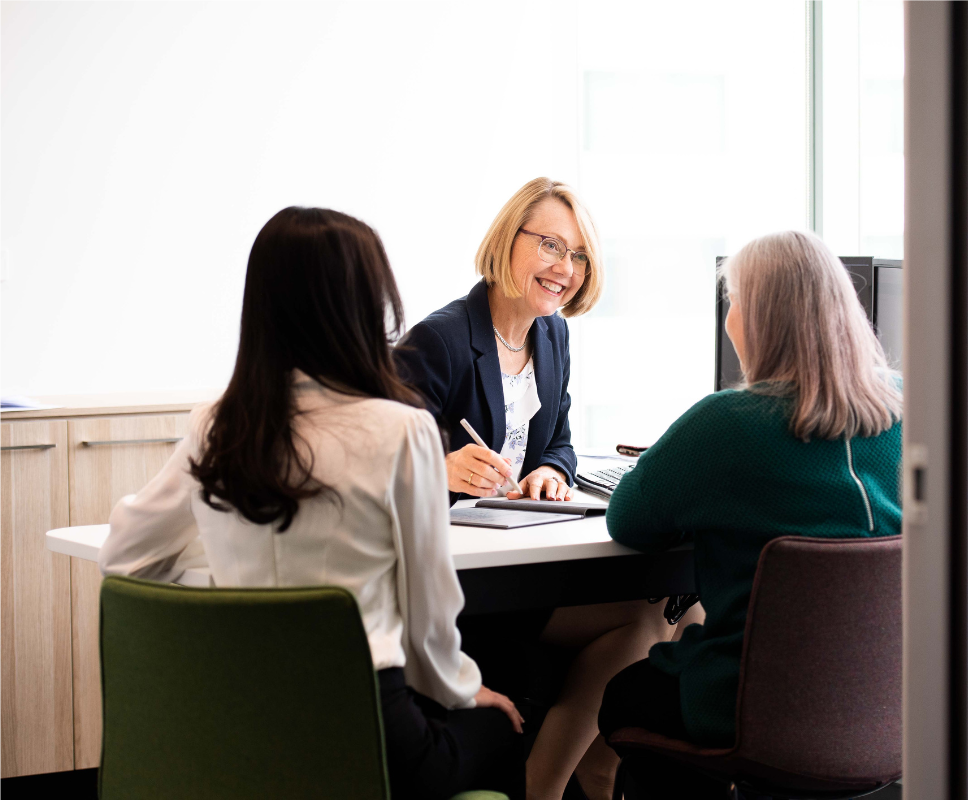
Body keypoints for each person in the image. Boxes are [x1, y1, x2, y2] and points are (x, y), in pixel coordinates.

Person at [98, 207, 524, 800]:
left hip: (241, 727)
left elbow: (125, 555)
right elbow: (429, 618)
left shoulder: (219, 425)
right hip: (368, 730)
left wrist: (230, 550)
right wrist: (464, 690)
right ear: (366, 306)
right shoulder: (400, 431)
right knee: (502, 726)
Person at [394, 178, 675, 800]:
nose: (565, 268)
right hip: (465, 584)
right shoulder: (440, 340)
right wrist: (438, 469)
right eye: (551, 245)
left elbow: (561, 441)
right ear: (508, 239)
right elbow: (375, 453)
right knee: (643, 620)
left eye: (578, 255)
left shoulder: (552, 335)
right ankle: (565, 779)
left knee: (656, 613)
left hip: (526, 557)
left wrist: (550, 469)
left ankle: (576, 774)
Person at [597, 230, 904, 799]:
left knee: (628, 695)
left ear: (759, 317)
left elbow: (628, 521)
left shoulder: (727, 424)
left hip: (748, 705)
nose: (729, 317)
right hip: (892, 712)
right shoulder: (911, 409)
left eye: (734, 300)